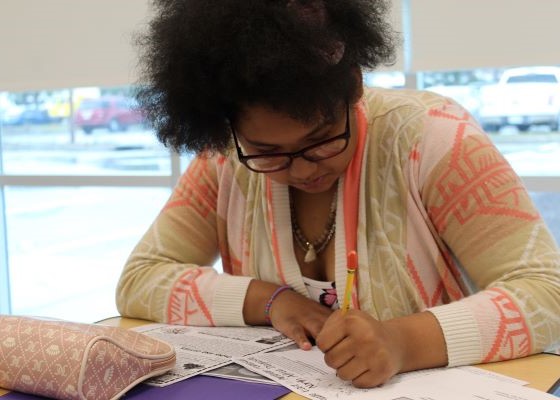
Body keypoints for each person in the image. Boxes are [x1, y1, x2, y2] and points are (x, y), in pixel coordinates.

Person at [116, 0, 560, 389]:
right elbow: (140, 279)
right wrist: (270, 301)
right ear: (225, 126)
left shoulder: (434, 139)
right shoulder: (226, 161)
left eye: (323, 139)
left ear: (354, 84)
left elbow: (545, 292)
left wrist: (403, 342)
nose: (304, 169)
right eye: (269, 152)